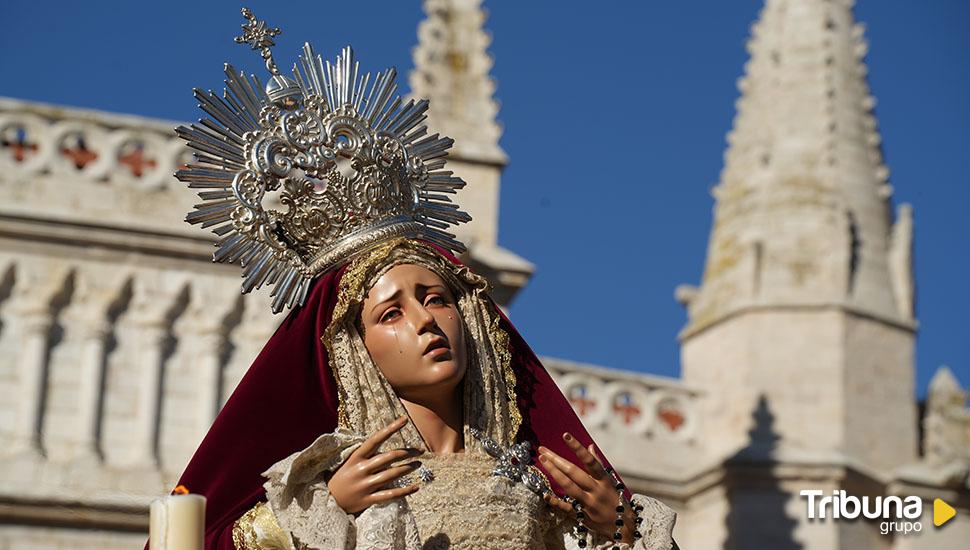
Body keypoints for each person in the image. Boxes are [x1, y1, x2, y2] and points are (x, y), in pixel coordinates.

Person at [159, 9, 679, 549]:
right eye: (390, 313)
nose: (425, 320)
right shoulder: (322, 492)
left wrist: (620, 531)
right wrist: (318, 516)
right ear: (353, 350)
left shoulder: (536, 485)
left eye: (435, 298)